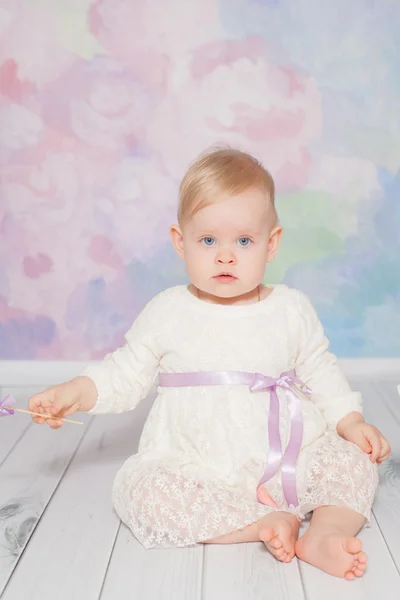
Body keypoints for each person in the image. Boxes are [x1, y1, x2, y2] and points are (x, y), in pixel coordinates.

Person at [29, 148, 391, 580]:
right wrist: (74, 392)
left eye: (243, 240)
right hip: (198, 465)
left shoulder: (290, 308)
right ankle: (263, 524)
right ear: (180, 242)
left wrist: (350, 421)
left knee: (353, 461)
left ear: (270, 243)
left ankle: (326, 534)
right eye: (208, 241)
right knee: (142, 493)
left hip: (288, 459)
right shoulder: (167, 310)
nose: (225, 256)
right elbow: (125, 372)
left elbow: (320, 370)